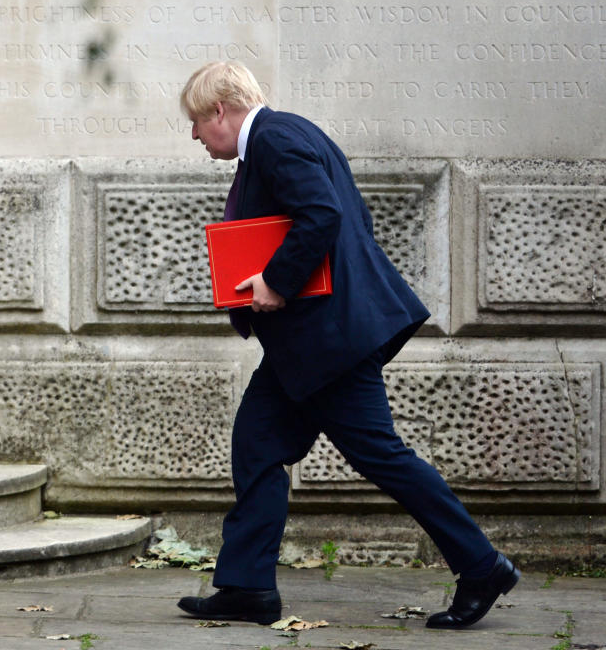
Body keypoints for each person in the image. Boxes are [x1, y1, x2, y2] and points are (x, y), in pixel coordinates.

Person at [175, 61, 519, 629]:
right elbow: (344, 217)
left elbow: (324, 215)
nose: (194, 135)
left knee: (381, 455)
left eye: (195, 121)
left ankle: (481, 566)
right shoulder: (291, 133)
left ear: (219, 110)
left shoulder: (275, 139)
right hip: (311, 344)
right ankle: (246, 587)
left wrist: (276, 281)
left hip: (327, 343)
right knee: (258, 444)